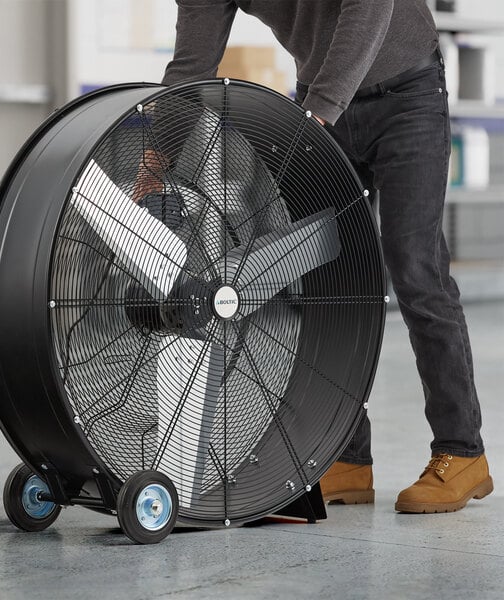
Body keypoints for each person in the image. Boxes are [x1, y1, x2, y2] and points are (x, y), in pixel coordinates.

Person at [146, 0, 493, 514]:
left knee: (414, 265)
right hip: (321, 101)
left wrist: (320, 112)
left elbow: (369, 7)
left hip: (406, 93)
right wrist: (152, 166)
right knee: (330, 277)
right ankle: (347, 458)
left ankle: (461, 452)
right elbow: (191, 68)